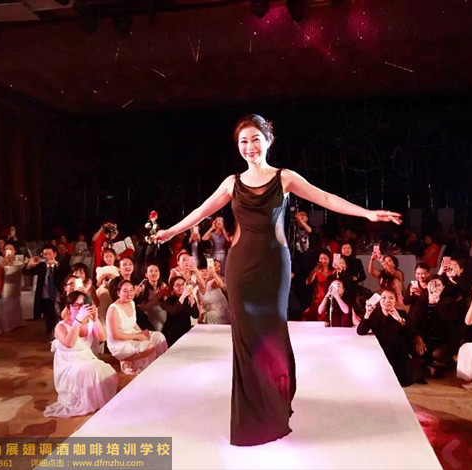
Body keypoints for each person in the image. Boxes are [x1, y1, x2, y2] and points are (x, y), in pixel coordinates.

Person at [152, 113, 401, 446]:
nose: (250, 146)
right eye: (243, 141)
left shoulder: (285, 178)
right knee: (245, 340)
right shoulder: (231, 183)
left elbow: (326, 198)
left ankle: (276, 399)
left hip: (273, 267)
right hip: (240, 268)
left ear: (268, 140)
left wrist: (367, 213)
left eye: (255, 139)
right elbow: (201, 211)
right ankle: (252, 415)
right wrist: (171, 231)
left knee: (271, 335)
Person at [44, 291, 118, 418]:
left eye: (83, 305)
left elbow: (103, 338)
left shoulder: (89, 322)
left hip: (87, 358)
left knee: (107, 372)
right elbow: (69, 343)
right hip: (68, 364)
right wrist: (78, 320)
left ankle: (97, 401)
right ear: (68, 308)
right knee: (91, 369)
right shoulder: (60, 327)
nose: (80, 308)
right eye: (76, 305)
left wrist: (95, 319)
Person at [356, 288, 426, 386]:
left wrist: (400, 320)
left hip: (399, 353)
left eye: (391, 298)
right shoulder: (374, 314)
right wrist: (367, 313)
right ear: (379, 300)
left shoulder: (401, 314)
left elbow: (411, 333)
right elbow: (360, 331)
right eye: (384, 298)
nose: (387, 301)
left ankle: (423, 369)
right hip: (381, 352)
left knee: (403, 381)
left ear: (395, 300)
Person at [106, 280, 168, 374]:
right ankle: (127, 360)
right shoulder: (113, 309)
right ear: (118, 293)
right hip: (120, 342)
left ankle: (162, 364)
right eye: (125, 291)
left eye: (131, 290)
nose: (129, 293)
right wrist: (138, 336)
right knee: (149, 346)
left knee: (159, 337)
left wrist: (141, 333)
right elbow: (115, 335)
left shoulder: (131, 302)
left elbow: (133, 323)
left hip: (132, 334)